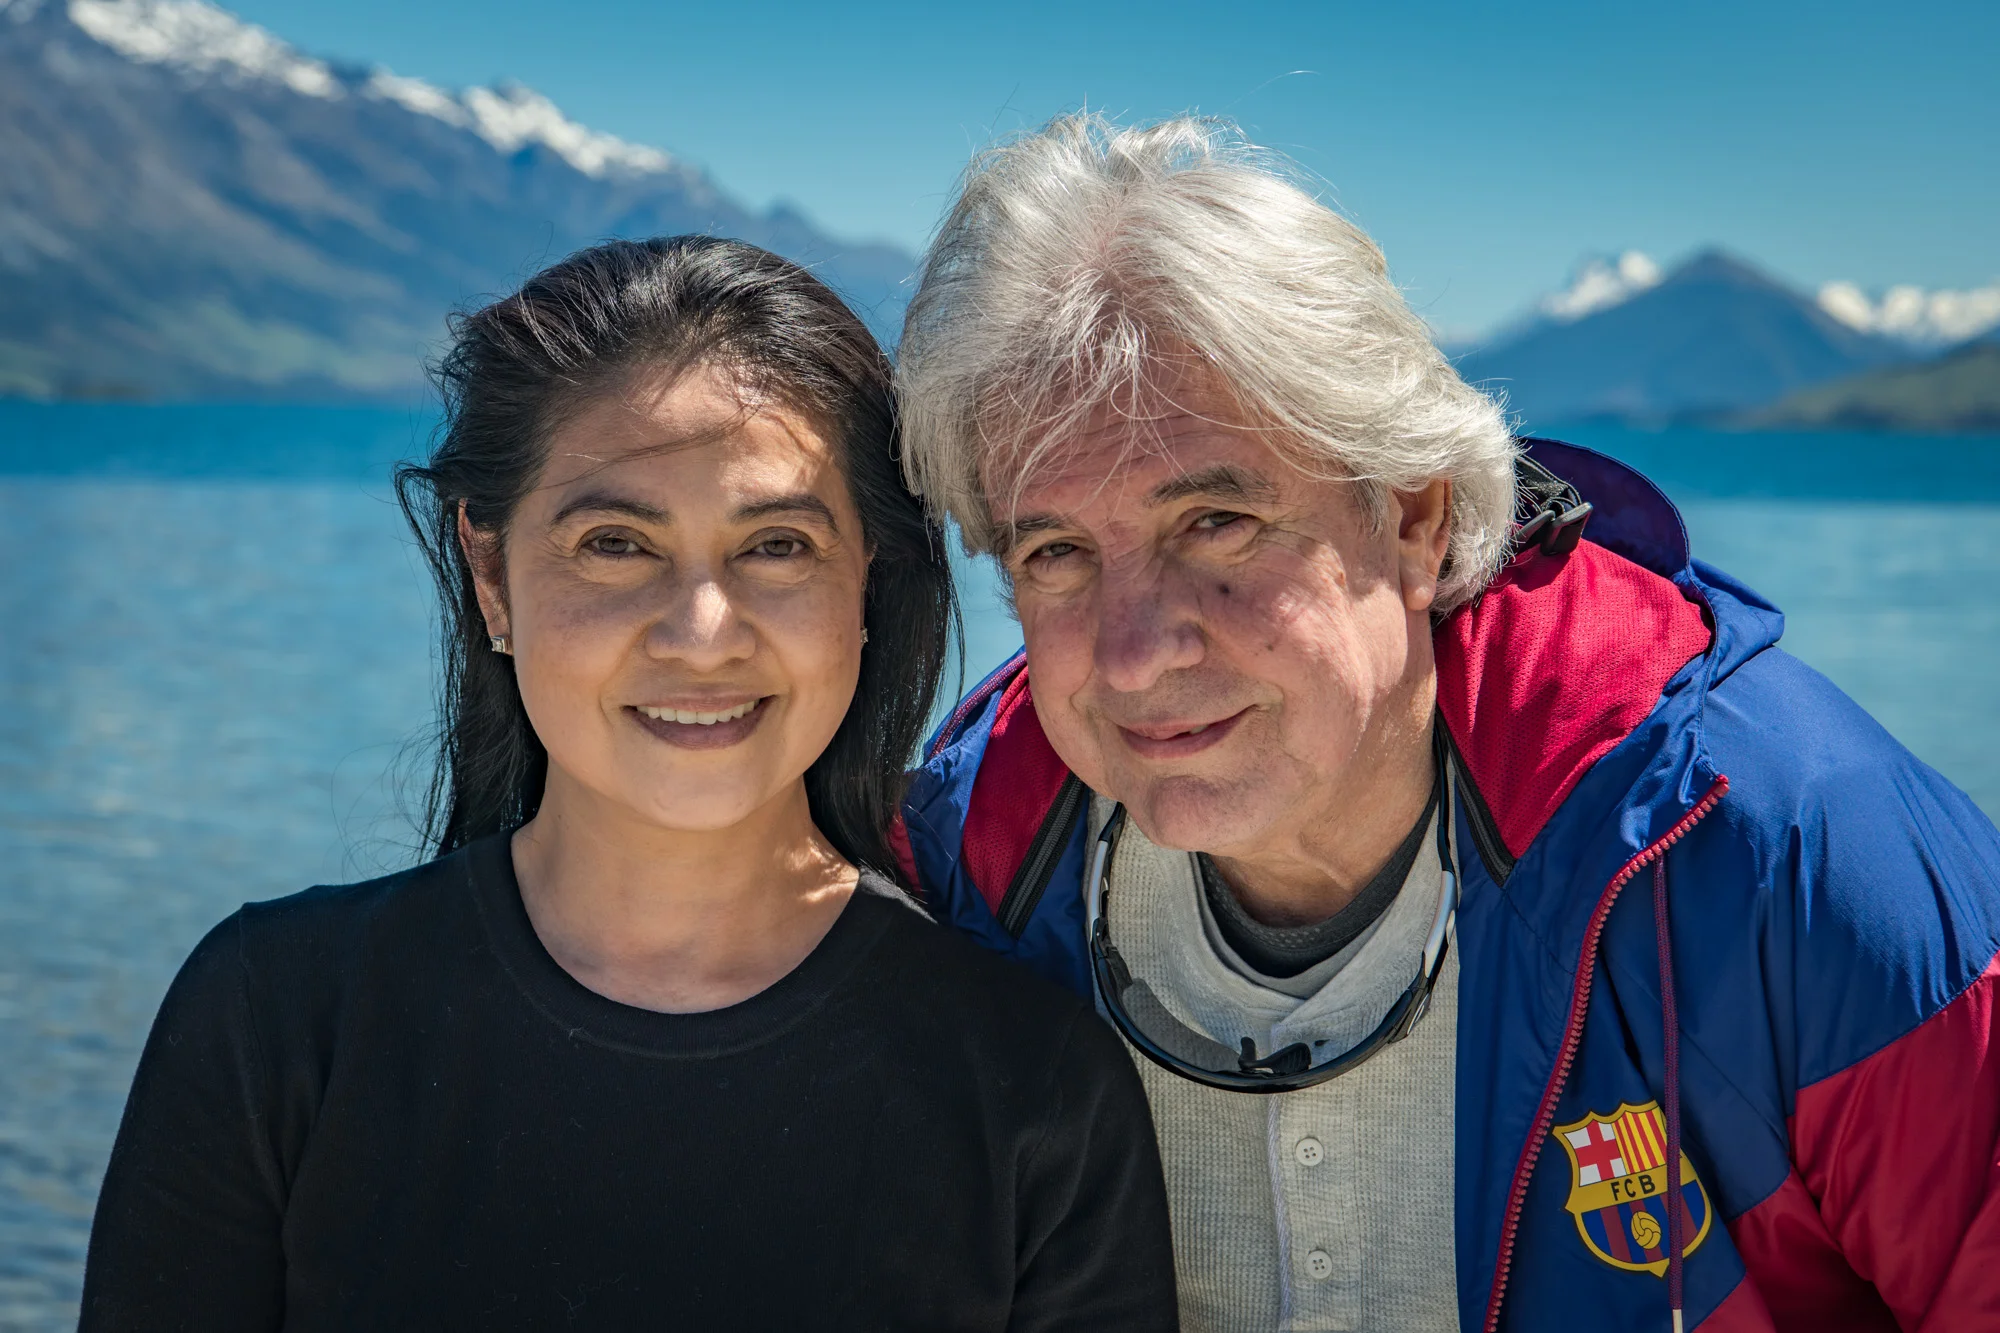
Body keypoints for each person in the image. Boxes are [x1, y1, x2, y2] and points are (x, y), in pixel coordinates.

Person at [888, 115, 2000, 1332]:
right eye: (1054, 553)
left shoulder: (1780, 849)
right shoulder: (967, 864)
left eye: (1215, 523)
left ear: (1415, 520)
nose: (1136, 647)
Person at [81, 236, 1177, 1331]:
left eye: (777, 546)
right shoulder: (275, 1023)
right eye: (613, 543)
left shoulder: (1032, 1087)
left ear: (865, 582)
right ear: (490, 575)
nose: (701, 634)